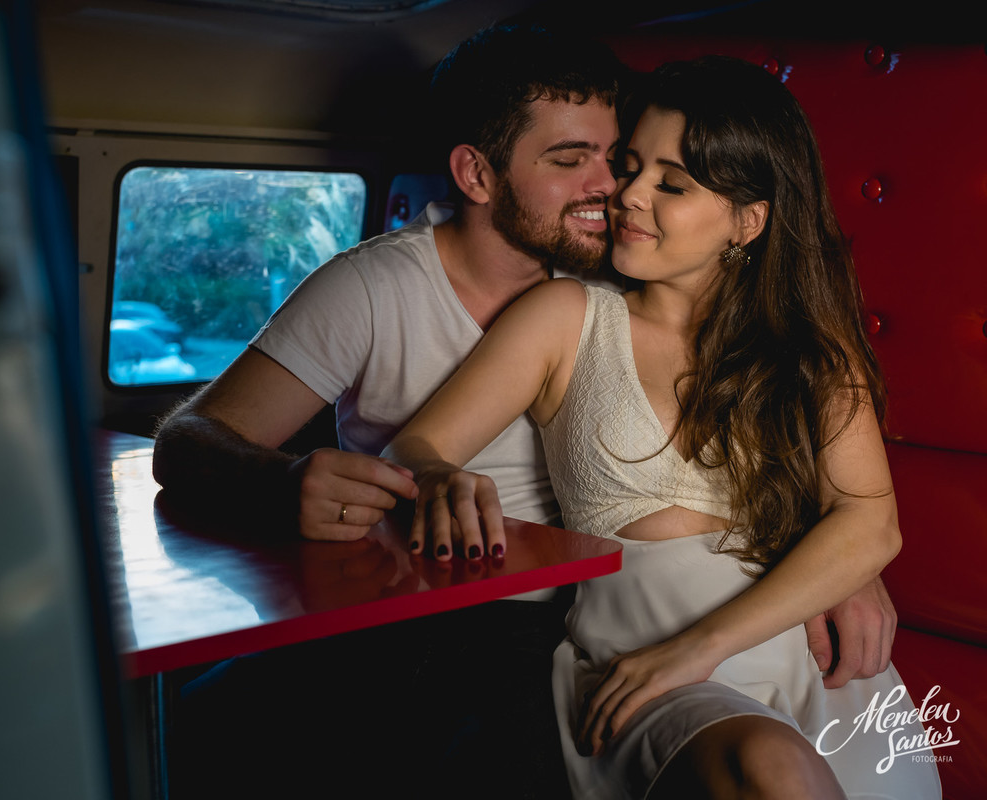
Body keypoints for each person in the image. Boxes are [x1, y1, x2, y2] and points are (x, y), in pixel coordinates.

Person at [382, 56, 941, 798]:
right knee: (774, 771)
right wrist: (438, 475)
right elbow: (415, 446)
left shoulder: (809, 352)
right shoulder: (565, 320)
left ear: (748, 221)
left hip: (808, 667)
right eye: (631, 167)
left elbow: (869, 521)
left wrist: (702, 647)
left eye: (671, 185)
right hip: (641, 670)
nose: (627, 195)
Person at [154, 23, 625, 799]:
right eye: (570, 160)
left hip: (573, 617)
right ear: (476, 174)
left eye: (615, 158)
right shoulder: (371, 287)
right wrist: (284, 482)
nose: (608, 186)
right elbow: (187, 440)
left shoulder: (623, 277)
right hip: (404, 609)